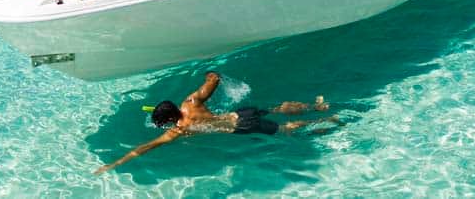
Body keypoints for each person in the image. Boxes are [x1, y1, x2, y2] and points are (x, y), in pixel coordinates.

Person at [94, 72, 338, 174]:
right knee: (275, 109)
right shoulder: (190, 102)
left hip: (242, 127)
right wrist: (208, 76)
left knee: (284, 130)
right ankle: (317, 106)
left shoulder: (180, 131)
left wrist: (113, 164)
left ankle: (326, 119)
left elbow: (143, 148)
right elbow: (214, 79)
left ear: (169, 120)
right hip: (239, 114)